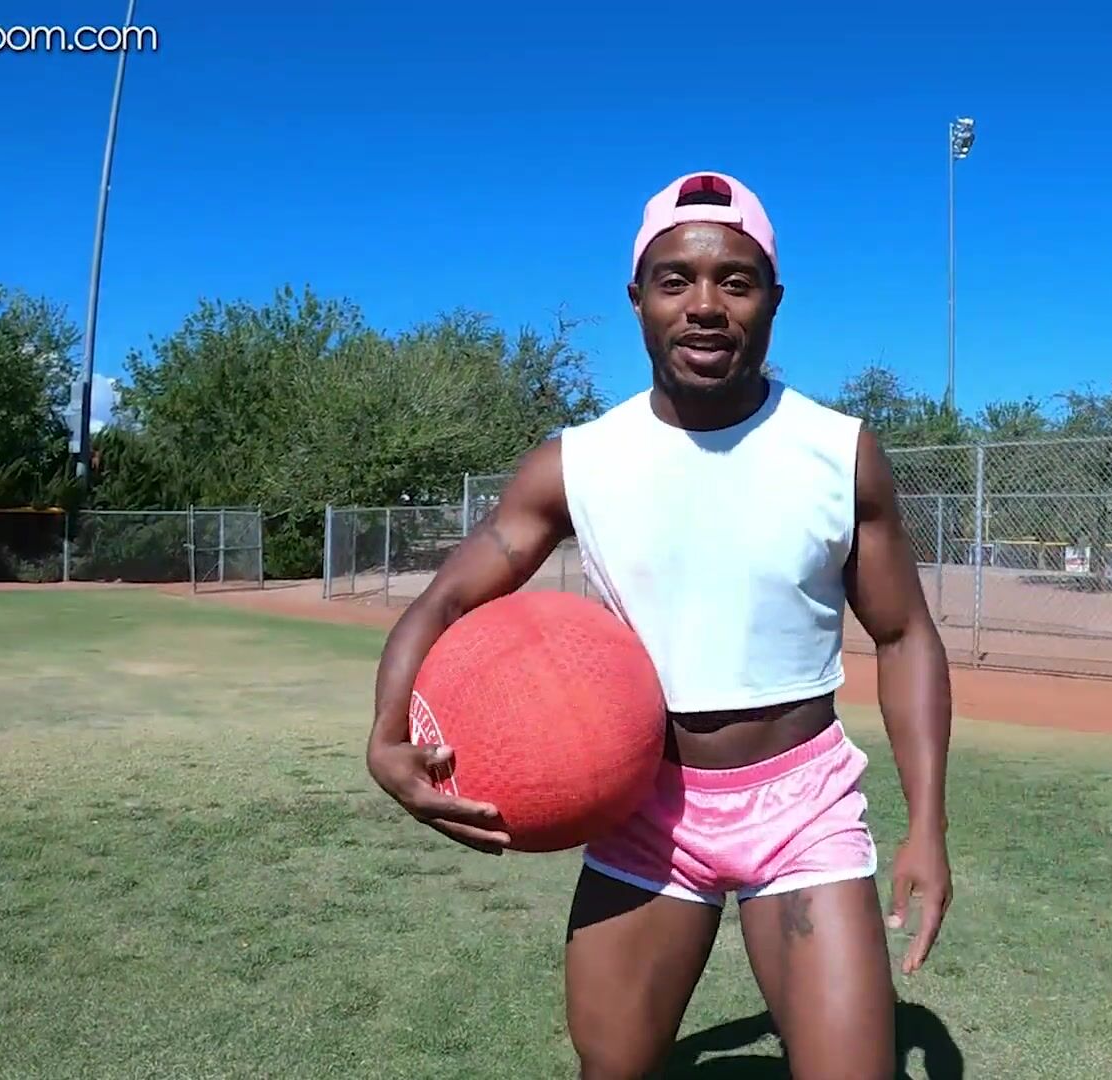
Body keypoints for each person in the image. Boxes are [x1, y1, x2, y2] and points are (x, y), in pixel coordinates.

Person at [365, 171, 953, 1079]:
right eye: (676, 280)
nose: (705, 305)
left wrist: (928, 825)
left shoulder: (839, 453)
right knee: (614, 1068)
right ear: (637, 298)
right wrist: (384, 735)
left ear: (774, 300)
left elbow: (905, 635)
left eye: (735, 281)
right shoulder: (578, 462)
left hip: (803, 807)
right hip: (646, 807)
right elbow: (446, 600)